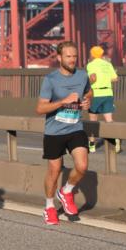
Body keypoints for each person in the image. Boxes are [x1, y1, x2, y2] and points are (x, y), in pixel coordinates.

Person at [37, 41, 92, 226]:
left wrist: (87, 102)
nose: (72, 60)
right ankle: (50, 206)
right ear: (59, 58)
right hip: (54, 132)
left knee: (82, 166)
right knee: (54, 171)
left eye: (75, 56)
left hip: (75, 128)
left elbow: (88, 92)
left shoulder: (82, 76)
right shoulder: (50, 80)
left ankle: (66, 191)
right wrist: (62, 102)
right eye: (68, 56)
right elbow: (40, 108)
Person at [86, 45, 120, 154]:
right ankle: (115, 140)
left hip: (96, 93)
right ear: (101, 54)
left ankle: (91, 145)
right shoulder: (108, 64)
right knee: (109, 119)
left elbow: (93, 78)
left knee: (93, 121)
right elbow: (115, 78)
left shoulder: (90, 65)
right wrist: (105, 78)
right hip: (108, 93)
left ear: (92, 54)